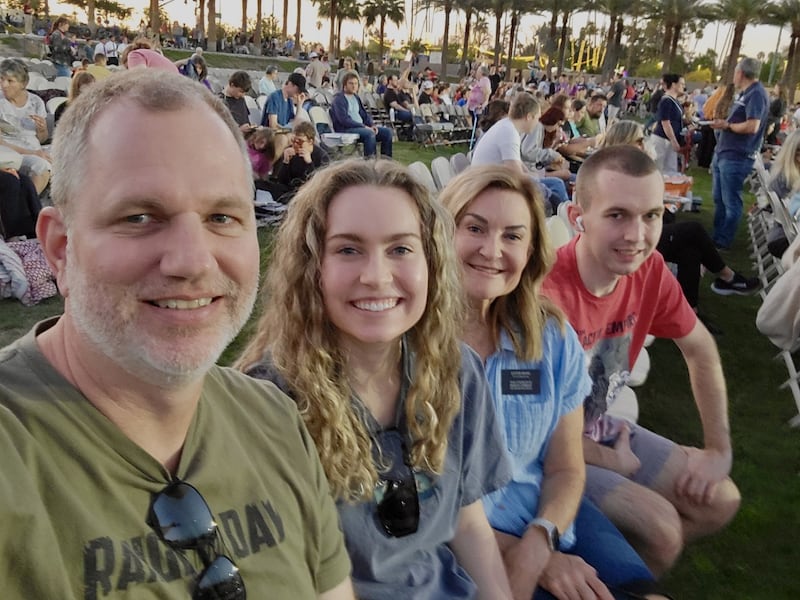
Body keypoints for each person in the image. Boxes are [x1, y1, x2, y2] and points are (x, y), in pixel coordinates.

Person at [0, 68, 355, 599]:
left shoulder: (275, 420)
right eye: (141, 216)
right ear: (59, 249)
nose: (192, 261)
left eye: (222, 217)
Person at [237, 158, 513, 600]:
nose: (376, 276)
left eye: (401, 249)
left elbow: (467, 518)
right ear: (313, 268)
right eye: (348, 249)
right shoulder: (270, 403)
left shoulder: (456, 370)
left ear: (432, 264)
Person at [440, 166, 666, 600]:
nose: (492, 250)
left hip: (548, 514)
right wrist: (524, 557)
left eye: (512, 236)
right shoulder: (409, 345)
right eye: (474, 227)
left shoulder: (550, 338)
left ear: (530, 251)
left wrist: (540, 540)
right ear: (441, 233)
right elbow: (412, 500)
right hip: (451, 547)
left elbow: (564, 466)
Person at [541, 146, 741, 577]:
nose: (637, 235)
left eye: (651, 215)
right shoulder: (546, 298)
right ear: (578, 217)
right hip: (546, 455)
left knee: (722, 497)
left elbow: (701, 349)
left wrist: (718, 449)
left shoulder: (649, 270)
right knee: (662, 528)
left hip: (597, 429)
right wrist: (612, 462)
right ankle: (619, 570)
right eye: (617, 215)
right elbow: (523, 431)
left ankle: (617, 569)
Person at [601, 120, 760, 312]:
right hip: (626, 241)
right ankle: (727, 277)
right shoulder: (613, 173)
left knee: (690, 253)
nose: (643, 145)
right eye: (639, 140)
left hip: (639, 233)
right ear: (624, 142)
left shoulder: (626, 169)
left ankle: (689, 312)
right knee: (693, 230)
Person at [471, 92, 569, 212]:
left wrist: (535, 177)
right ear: (528, 117)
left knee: (554, 185)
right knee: (549, 197)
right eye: (537, 118)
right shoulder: (509, 132)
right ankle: (561, 220)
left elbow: (519, 165)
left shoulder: (507, 126)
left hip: (491, 181)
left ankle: (563, 219)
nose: (538, 123)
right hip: (489, 186)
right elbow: (516, 173)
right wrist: (541, 186)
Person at [710, 57, 769, 250]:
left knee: (731, 201)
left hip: (737, 156)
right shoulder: (746, 93)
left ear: (741, 73)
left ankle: (723, 240)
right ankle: (716, 235)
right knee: (719, 198)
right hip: (725, 152)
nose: (733, 76)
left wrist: (727, 125)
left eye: (735, 72)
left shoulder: (757, 94)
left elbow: (753, 126)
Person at [0, 58, 51, 194]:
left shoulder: (36, 102)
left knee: (68, 158)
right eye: (1, 79)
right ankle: (27, 209)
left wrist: (42, 129)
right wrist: (34, 153)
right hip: (10, 153)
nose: (4, 85)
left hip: (36, 149)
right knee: (40, 166)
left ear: (24, 83)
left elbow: (42, 139)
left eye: (10, 81)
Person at [330, 72, 393, 158]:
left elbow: (364, 115)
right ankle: (370, 163)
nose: (354, 86)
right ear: (345, 85)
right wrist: (363, 126)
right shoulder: (339, 100)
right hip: (347, 129)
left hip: (361, 127)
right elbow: (344, 120)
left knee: (387, 132)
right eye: (351, 83)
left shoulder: (356, 97)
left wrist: (372, 124)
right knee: (369, 134)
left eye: (356, 83)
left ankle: (386, 163)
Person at [275, 120, 329, 192]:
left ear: (310, 141)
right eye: (294, 141)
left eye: (299, 142)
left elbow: (319, 184)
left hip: (310, 192)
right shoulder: (290, 151)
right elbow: (281, 181)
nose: (296, 145)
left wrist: (309, 163)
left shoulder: (322, 156)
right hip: (291, 189)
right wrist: (285, 162)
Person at [651, 74, 686, 174]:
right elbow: (665, 122)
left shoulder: (674, 101)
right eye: (681, 84)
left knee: (670, 169)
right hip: (662, 139)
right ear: (674, 85)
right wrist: (673, 140)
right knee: (658, 169)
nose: (684, 86)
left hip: (669, 139)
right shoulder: (666, 101)